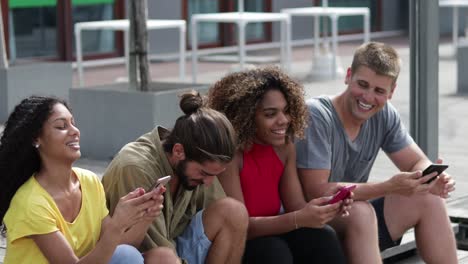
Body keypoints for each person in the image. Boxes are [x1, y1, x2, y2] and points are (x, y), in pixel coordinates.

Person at [296, 42, 457, 264]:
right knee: (361, 212)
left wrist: (430, 178)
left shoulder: (384, 114)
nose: (368, 97)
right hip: (314, 225)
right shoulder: (317, 114)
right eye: (363, 84)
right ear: (349, 76)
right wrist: (388, 187)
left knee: (429, 198)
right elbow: (317, 191)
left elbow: (416, 161)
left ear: (391, 92)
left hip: (358, 221)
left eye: (379, 90)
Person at [0, 96, 177, 264]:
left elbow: (116, 247)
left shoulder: (89, 181)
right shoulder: (31, 203)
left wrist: (145, 216)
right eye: (61, 126)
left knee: (162, 257)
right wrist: (117, 225)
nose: (74, 131)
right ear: (36, 139)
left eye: (73, 124)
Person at [207, 67, 348, 264]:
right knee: (273, 251)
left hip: (275, 233)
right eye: (270, 114)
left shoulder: (285, 148)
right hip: (238, 243)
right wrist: (300, 218)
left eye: (286, 111)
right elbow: (241, 226)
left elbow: (296, 207)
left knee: (322, 235)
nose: (283, 120)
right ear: (245, 117)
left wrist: (326, 207)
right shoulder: (231, 156)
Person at [101, 90, 249, 264]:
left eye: (214, 175)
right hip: (143, 257)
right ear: (179, 151)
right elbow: (152, 249)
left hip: (174, 251)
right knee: (165, 258)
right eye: (204, 173)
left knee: (234, 212)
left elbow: (223, 222)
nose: (208, 183)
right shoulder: (135, 168)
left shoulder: (196, 166)